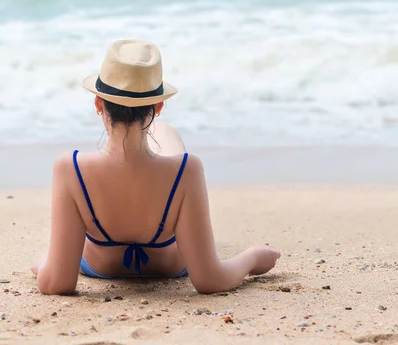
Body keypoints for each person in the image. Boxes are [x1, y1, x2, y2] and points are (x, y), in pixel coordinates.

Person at [30, 39, 281, 295]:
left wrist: (44, 262)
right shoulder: (189, 169)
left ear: (98, 104)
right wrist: (253, 257)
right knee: (166, 136)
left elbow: (55, 283)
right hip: (169, 265)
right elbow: (210, 279)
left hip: (99, 264)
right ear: (158, 106)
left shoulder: (69, 167)